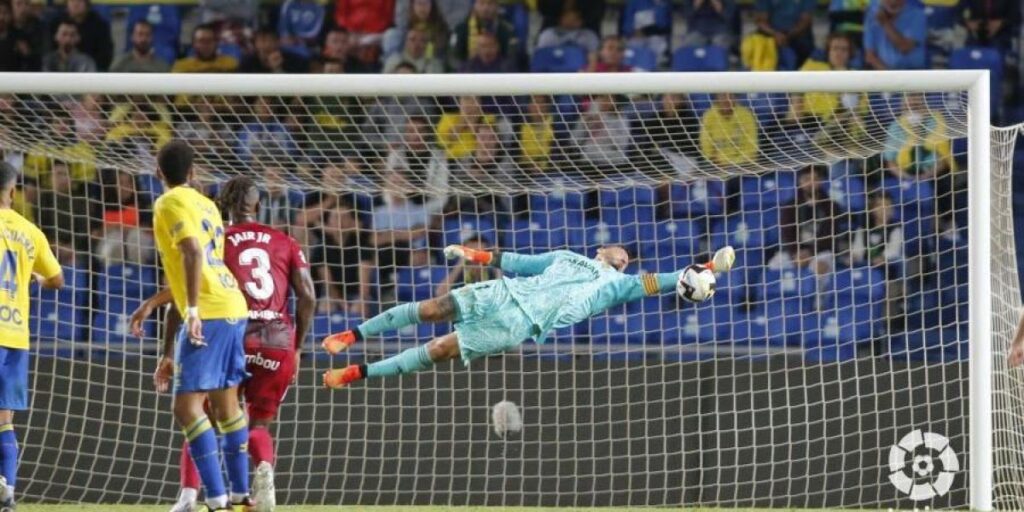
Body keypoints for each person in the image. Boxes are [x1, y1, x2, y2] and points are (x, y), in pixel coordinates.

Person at [132, 176, 316, 512]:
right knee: (257, 422)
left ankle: (191, 495)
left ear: (223, 205)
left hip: (232, 330)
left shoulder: (219, 239)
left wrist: (167, 349)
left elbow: (191, 287)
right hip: (276, 338)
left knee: (201, 413)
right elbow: (308, 297)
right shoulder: (285, 240)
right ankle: (261, 473)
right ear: (257, 203)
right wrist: (299, 347)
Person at [321, 244, 735, 388]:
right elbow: (516, 261)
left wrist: (706, 270)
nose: (625, 258)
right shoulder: (566, 257)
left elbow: (666, 280)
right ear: (602, 250)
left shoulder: (619, 286)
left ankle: (359, 372)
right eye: (620, 252)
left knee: (439, 348)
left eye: (628, 260)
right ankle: (352, 335)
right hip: (504, 290)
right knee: (432, 309)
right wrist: (474, 255)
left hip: (517, 325)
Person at [148, 140, 252, 511]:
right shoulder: (207, 204)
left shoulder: (168, 203)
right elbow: (201, 265)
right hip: (232, 306)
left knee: (187, 408)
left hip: (206, 311)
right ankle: (240, 494)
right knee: (227, 405)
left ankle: (217, 498)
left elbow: (192, 252)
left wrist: (191, 310)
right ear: (193, 173)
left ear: (158, 173)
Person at [0, 162, 65, 512]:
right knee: (4, 420)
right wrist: (35, 278)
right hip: (15, 336)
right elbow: (57, 279)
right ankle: (8, 493)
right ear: (13, 191)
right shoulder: (30, 231)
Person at [863, 0, 925, 70]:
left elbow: (905, 47)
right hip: (883, 74)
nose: (892, 2)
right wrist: (889, 75)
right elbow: (870, 56)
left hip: (912, 73)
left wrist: (885, 23)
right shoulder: (872, 14)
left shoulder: (916, 13)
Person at [753, 0, 816, 66]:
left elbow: (805, 21)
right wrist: (775, 34)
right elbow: (761, 21)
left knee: (805, 49)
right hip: (770, 35)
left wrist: (787, 36)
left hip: (797, 35)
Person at [54, 0, 112, 70]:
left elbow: (105, 55)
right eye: (71, 1)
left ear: (87, 4)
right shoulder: (56, 22)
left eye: (80, 1)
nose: (75, 4)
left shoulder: (100, 25)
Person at [172, 24, 239, 73]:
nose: (206, 45)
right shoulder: (182, 66)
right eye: (201, 41)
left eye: (209, 40)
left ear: (216, 42)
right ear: (194, 44)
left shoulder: (230, 64)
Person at [535, 7, 599, 54]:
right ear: (561, 19)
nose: (571, 21)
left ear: (581, 21)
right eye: (567, 17)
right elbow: (540, 55)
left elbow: (594, 56)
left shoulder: (589, 36)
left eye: (575, 18)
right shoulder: (548, 34)